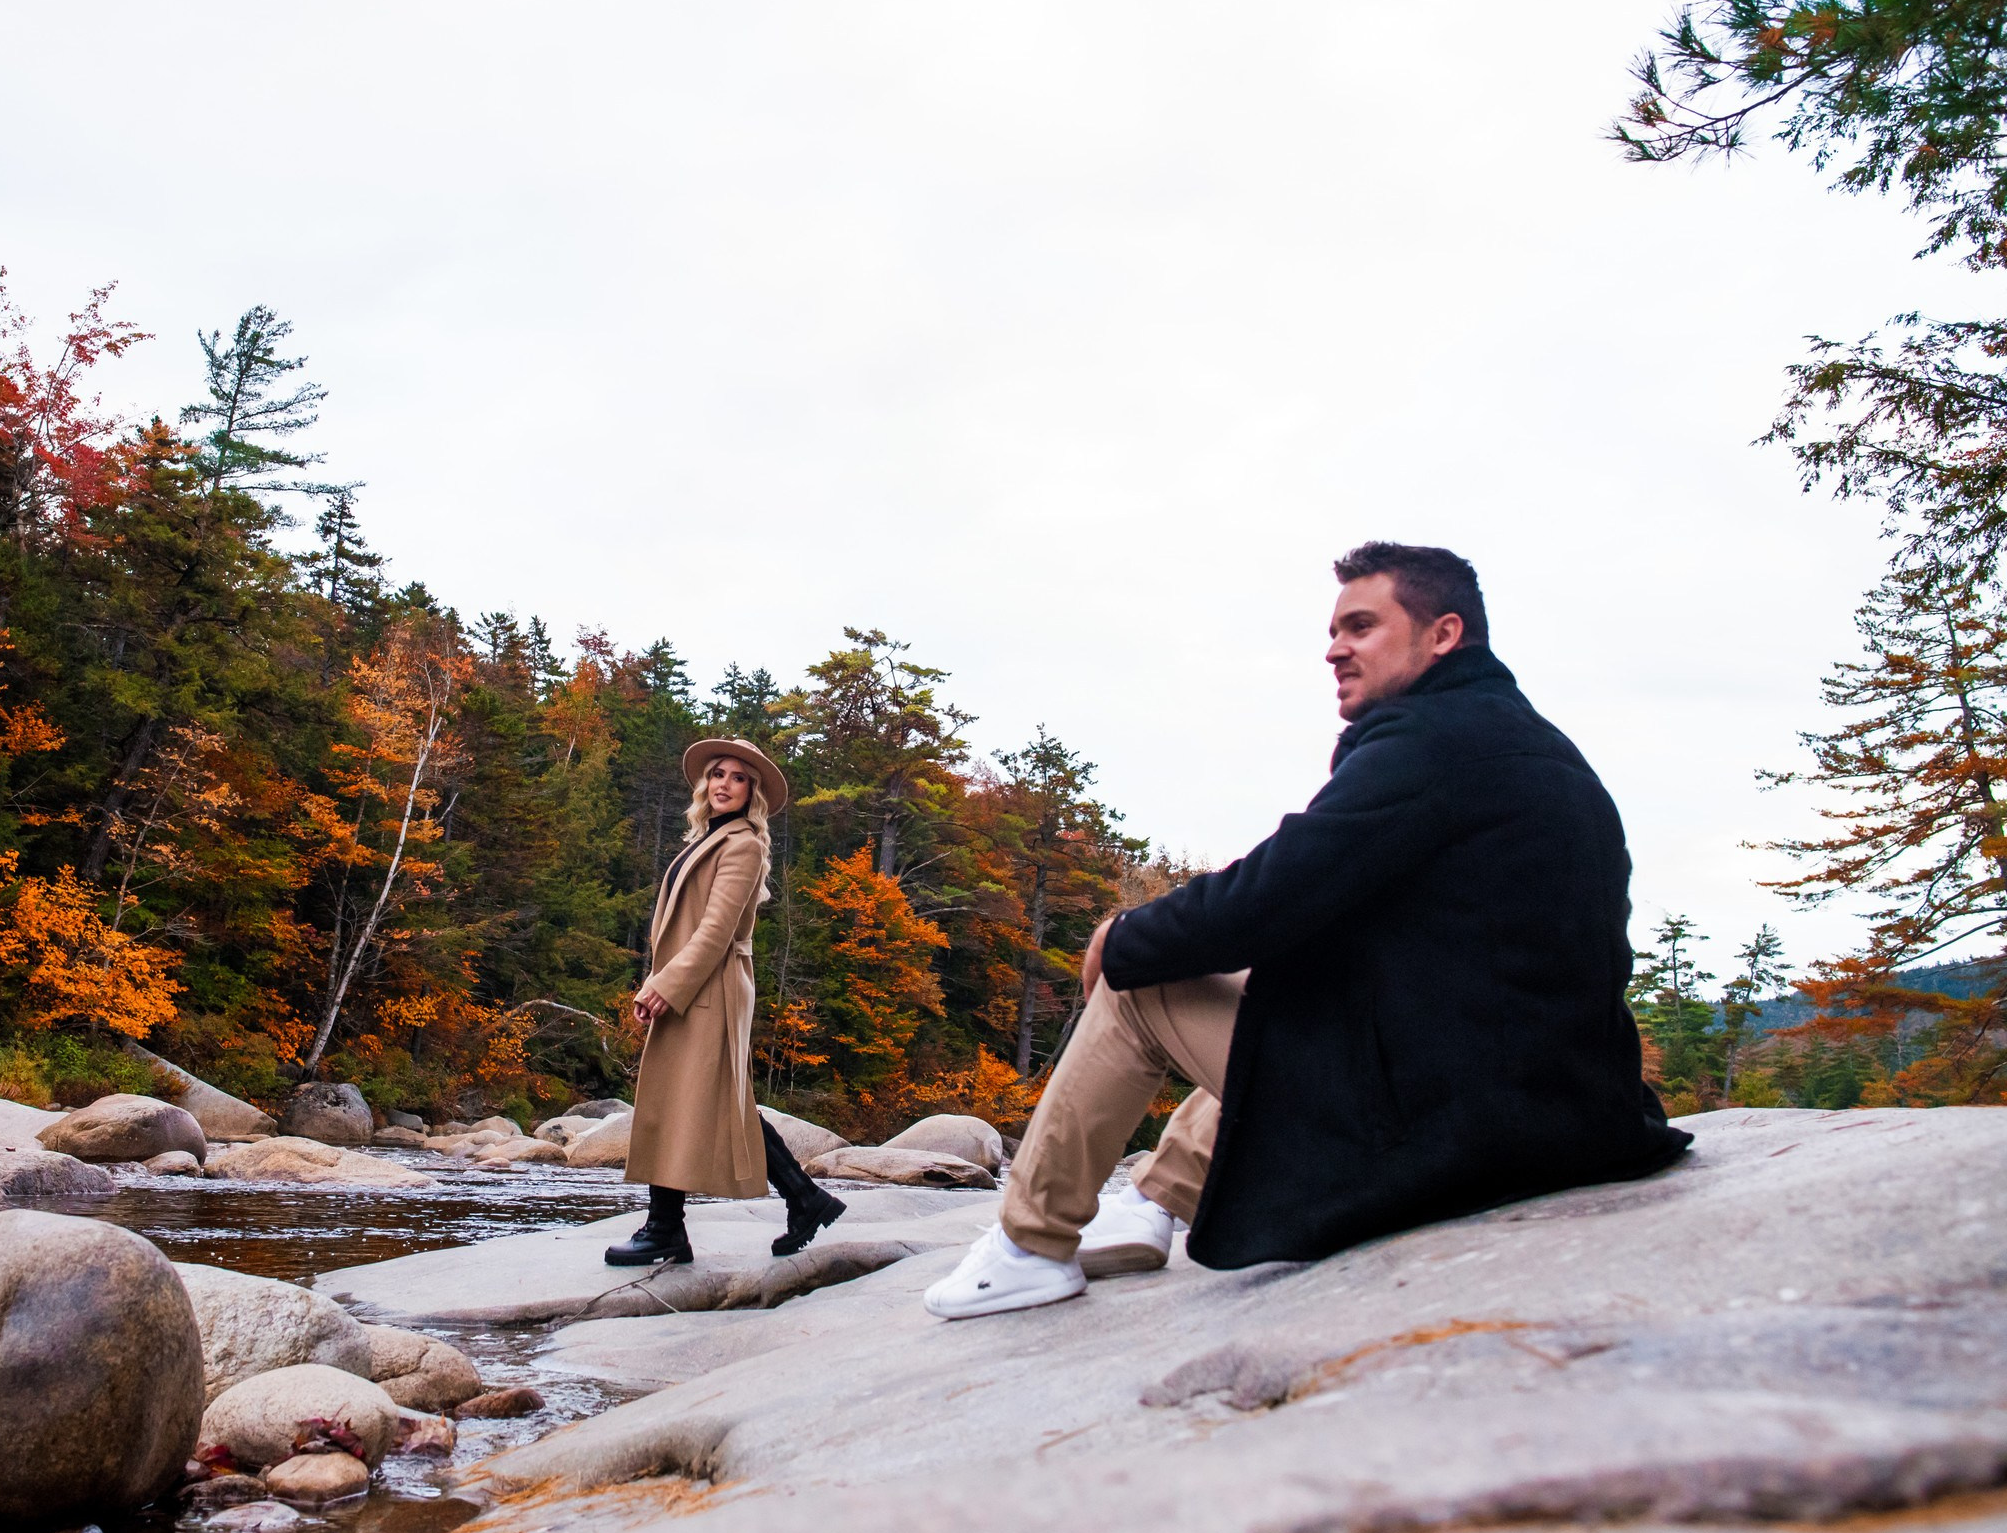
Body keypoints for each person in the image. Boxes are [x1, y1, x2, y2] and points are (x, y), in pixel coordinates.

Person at [926, 542, 1691, 1319]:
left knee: (1141, 982)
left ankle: (1028, 1247)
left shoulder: (1430, 742)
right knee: (1293, 986)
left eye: (1360, 626)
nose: (1334, 649)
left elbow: (1265, 897)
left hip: (1459, 1131)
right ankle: (1155, 1203)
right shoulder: (1533, 748)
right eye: (1333, 631)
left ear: (1444, 634)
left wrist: (1117, 936)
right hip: (1564, 1109)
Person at [604, 738, 848, 1268]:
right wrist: (660, 980)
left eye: (739, 778)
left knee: (695, 1098)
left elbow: (715, 933)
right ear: (704, 783)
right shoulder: (705, 838)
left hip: (710, 985)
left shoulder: (743, 844)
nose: (724, 783)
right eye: (718, 773)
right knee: (703, 1100)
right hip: (690, 983)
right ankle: (804, 1200)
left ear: (751, 792)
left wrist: (666, 985)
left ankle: (669, 1227)